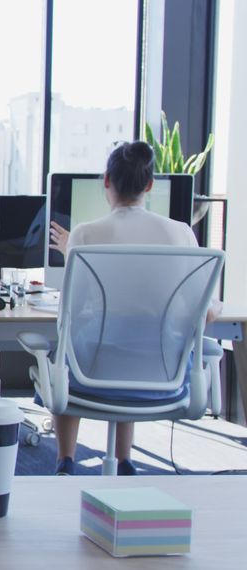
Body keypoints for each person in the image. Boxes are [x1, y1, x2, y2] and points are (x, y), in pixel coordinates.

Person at [48, 140, 222, 476]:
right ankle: (124, 461)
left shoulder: (84, 234)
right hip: (163, 378)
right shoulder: (181, 233)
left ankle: (65, 459)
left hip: (91, 378)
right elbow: (207, 312)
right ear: (150, 184)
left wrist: (71, 251)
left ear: (106, 180)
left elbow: (70, 313)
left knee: (72, 353)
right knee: (133, 342)